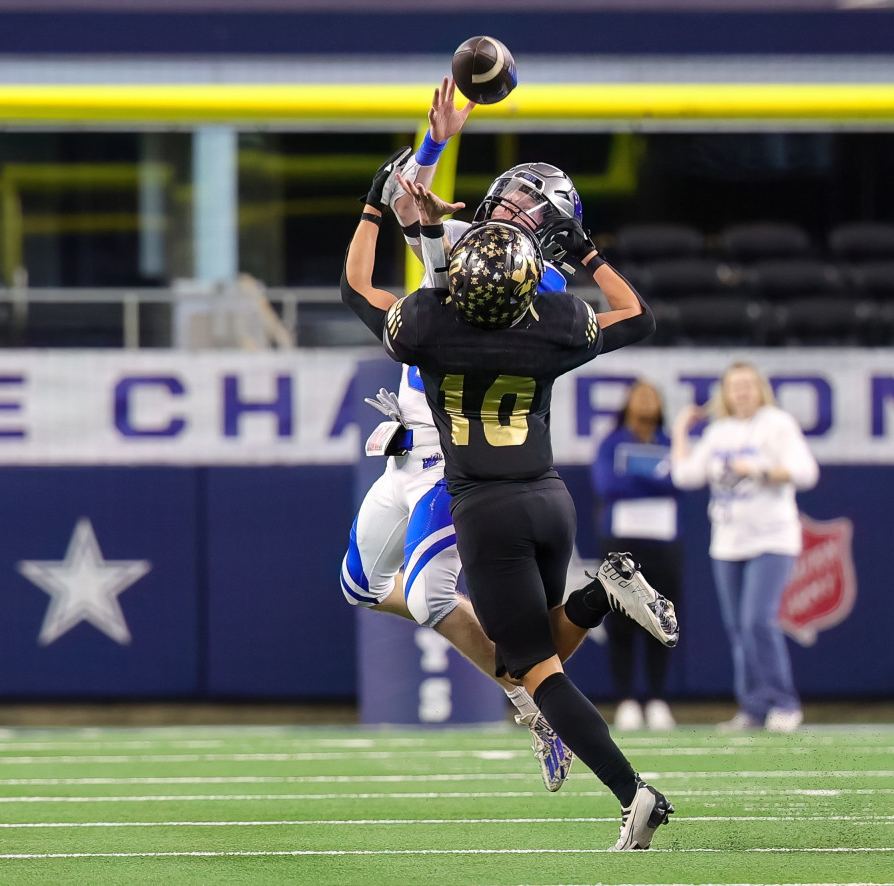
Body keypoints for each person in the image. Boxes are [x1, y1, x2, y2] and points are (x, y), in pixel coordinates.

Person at [341, 170, 678, 850]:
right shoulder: (553, 321)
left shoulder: (428, 329)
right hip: (548, 499)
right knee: (540, 649)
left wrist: (384, 209)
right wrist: (586, 251)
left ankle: (634, 793)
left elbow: (357, 290)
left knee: (536, 669)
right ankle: (598, 596)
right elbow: (637, 316)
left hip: (483, 506)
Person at [341, 79, 575, 792]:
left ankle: (530, 696)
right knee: (359, 585)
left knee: (428, 596)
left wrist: (411, 204)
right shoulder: (460, 259)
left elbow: (413, 229)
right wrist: (425, 156)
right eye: (508, 201)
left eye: (525, 210)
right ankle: (529, 675)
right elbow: (378, 255)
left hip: (458, 459)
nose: (504, 217)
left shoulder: (540, 288)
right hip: (406, 456)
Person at [670, 361, 819, 734]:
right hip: (728, 543)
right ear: (725, 392)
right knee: (739, 629)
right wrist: (680, 432)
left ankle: (784, 703)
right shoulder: (719, 431)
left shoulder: (777, 424)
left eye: (748, 385)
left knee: (758, 621)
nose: (741, 392)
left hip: (772, 538)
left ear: (761, 389)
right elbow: (686, 476)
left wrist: (760, 470)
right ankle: (752, 708)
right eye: (734, 386)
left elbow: (806, 472)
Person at [591, 380, 682, 732]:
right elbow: (607, 485)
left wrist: (635, 477)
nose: (646, 400)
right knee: (622, 622)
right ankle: (626, 700)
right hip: (621, 544)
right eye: (639, 394)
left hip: (664, 543)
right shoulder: (612, 442)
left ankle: (658, 699)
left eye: (653, 394)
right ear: (626, 403)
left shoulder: (670, 442)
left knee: (663, 620)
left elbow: (682, 480)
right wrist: (658, 478)